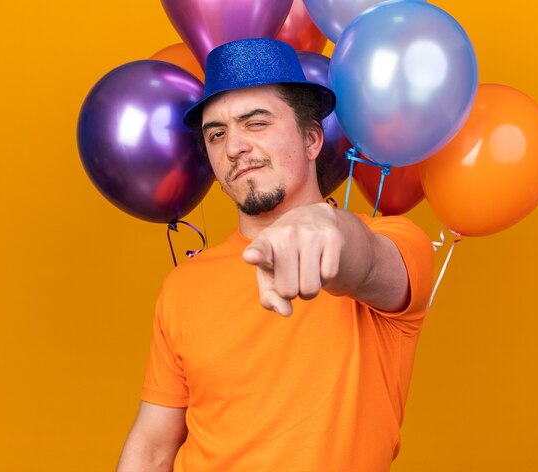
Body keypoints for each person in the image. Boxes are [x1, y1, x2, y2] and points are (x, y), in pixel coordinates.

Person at [117, 38, 434, 472]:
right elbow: (152, 448)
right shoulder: (183, 285)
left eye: (256, 123)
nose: (234, 148)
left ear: (311, 139)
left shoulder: (397, 241)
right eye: (217, 134)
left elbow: (368, 262)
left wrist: (325, 227)